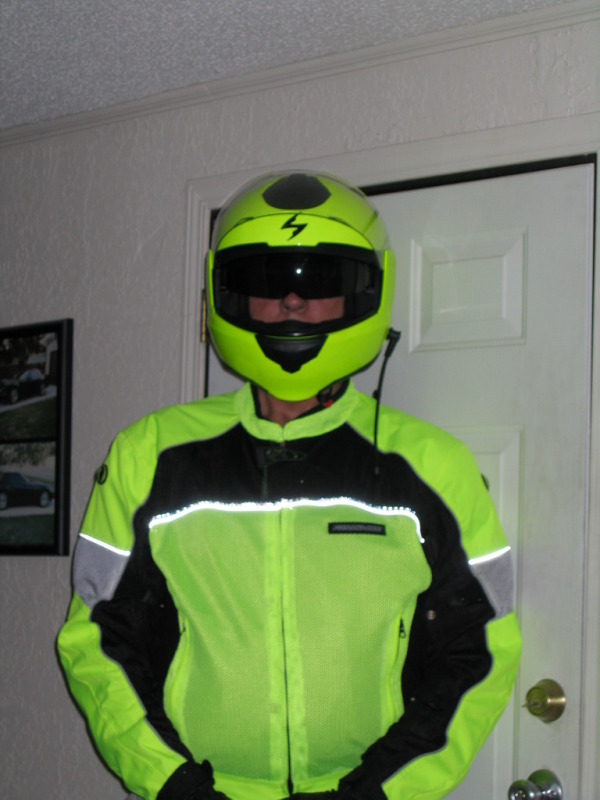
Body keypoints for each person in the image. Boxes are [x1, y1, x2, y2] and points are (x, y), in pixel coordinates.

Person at [57, 170, 521, 800]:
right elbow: (97, 638)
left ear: (365, 293)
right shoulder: (150, 457)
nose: (293, 303)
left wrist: (382, 790)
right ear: (229, 296)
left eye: (321, 280)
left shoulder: (433, 466)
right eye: (268, 282)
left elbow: (481, 646)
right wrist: (172, 783)